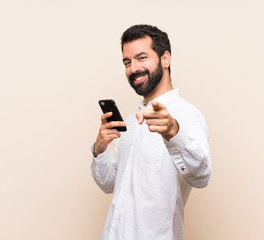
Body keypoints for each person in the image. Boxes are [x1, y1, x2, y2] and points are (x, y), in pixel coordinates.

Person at [91, 24, 212, 240]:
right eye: (127, 62)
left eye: (141, 57)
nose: (133, 68)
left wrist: (174, 133)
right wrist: (99, 151)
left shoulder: (187, 115)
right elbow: (110, 184)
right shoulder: (130, 120)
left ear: (165, 59)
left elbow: (202, 176)